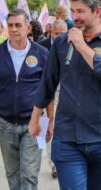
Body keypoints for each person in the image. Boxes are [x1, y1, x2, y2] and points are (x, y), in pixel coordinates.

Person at [29, 0, 101, 190]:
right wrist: (35, 118)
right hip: (67, 137)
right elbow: (48, 83)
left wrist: (82, 46)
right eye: (73, 11)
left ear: (98, 11)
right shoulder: (61, 43)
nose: (75, 17)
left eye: (81, 11)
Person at [0, 9, 51, 190]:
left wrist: (50, 121)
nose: (14, 29)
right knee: (13, 175)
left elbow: (48, 89)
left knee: (30, 175)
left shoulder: (42, 53)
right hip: (5, 124)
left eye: (18, 25)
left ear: (28, 27)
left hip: (35, 123)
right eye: (11, 25)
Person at [37, 18, 68, 179]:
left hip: (64, 92)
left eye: (62, 33)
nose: (59, 36)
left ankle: (57, 162)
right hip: (44, 92)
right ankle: (49, 161)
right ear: (51, 33)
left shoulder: (73, 45)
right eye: (56, 34)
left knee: (57, 126)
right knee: (46, 127)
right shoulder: (41, 46)